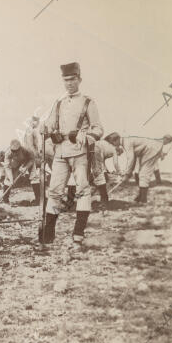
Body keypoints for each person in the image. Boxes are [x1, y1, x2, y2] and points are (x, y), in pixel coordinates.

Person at [41, 62, 103, 251]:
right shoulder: (58, 103)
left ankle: (78, 234)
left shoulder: (88, 102)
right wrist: (45, 129)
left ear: (79, 79)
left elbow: (98, 129)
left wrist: (86, 137)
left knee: (83, 190)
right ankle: (48, 234)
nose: (69, 84)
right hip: (60, 152)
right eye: (66, 80)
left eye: (72, 79)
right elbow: (49, 125)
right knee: (54, 191)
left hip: (79, 152)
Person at [105, 133, 172, 203]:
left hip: (151, 150)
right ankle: (141, 196)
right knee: (142, 174)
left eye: (112, 143)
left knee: (144, 174)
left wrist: (127, 174)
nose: (113, 145)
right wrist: (129, 173)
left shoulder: (127, 143)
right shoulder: (126, 141)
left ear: (116, 140)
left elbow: (131, 158)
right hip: (150, 150)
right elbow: (133, 158)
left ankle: (143, 199)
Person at [3, 139, 38, 204]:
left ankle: (38, 199)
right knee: (8, 179)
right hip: (17, 161)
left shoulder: (27, 149)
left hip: (28, 160)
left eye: (16, 150)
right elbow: (7, 167)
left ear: (20, 148)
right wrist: (11, 180)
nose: (14, 152)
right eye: (13, 151)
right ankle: (5, 199)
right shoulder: (8, 153)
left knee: (34, 177)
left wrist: (26, 167)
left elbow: (32, 159)